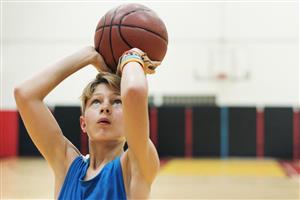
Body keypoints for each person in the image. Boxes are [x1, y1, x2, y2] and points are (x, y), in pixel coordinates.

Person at [14, 46, 160, 199]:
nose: (105, 107)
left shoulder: (133, 167)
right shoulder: (68, 167)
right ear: (83, 123)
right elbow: (25, 94)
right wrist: (90, 55)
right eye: (96, 101)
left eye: (117, 102)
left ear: (128, 122)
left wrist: (131, 56)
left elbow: (134, 91)